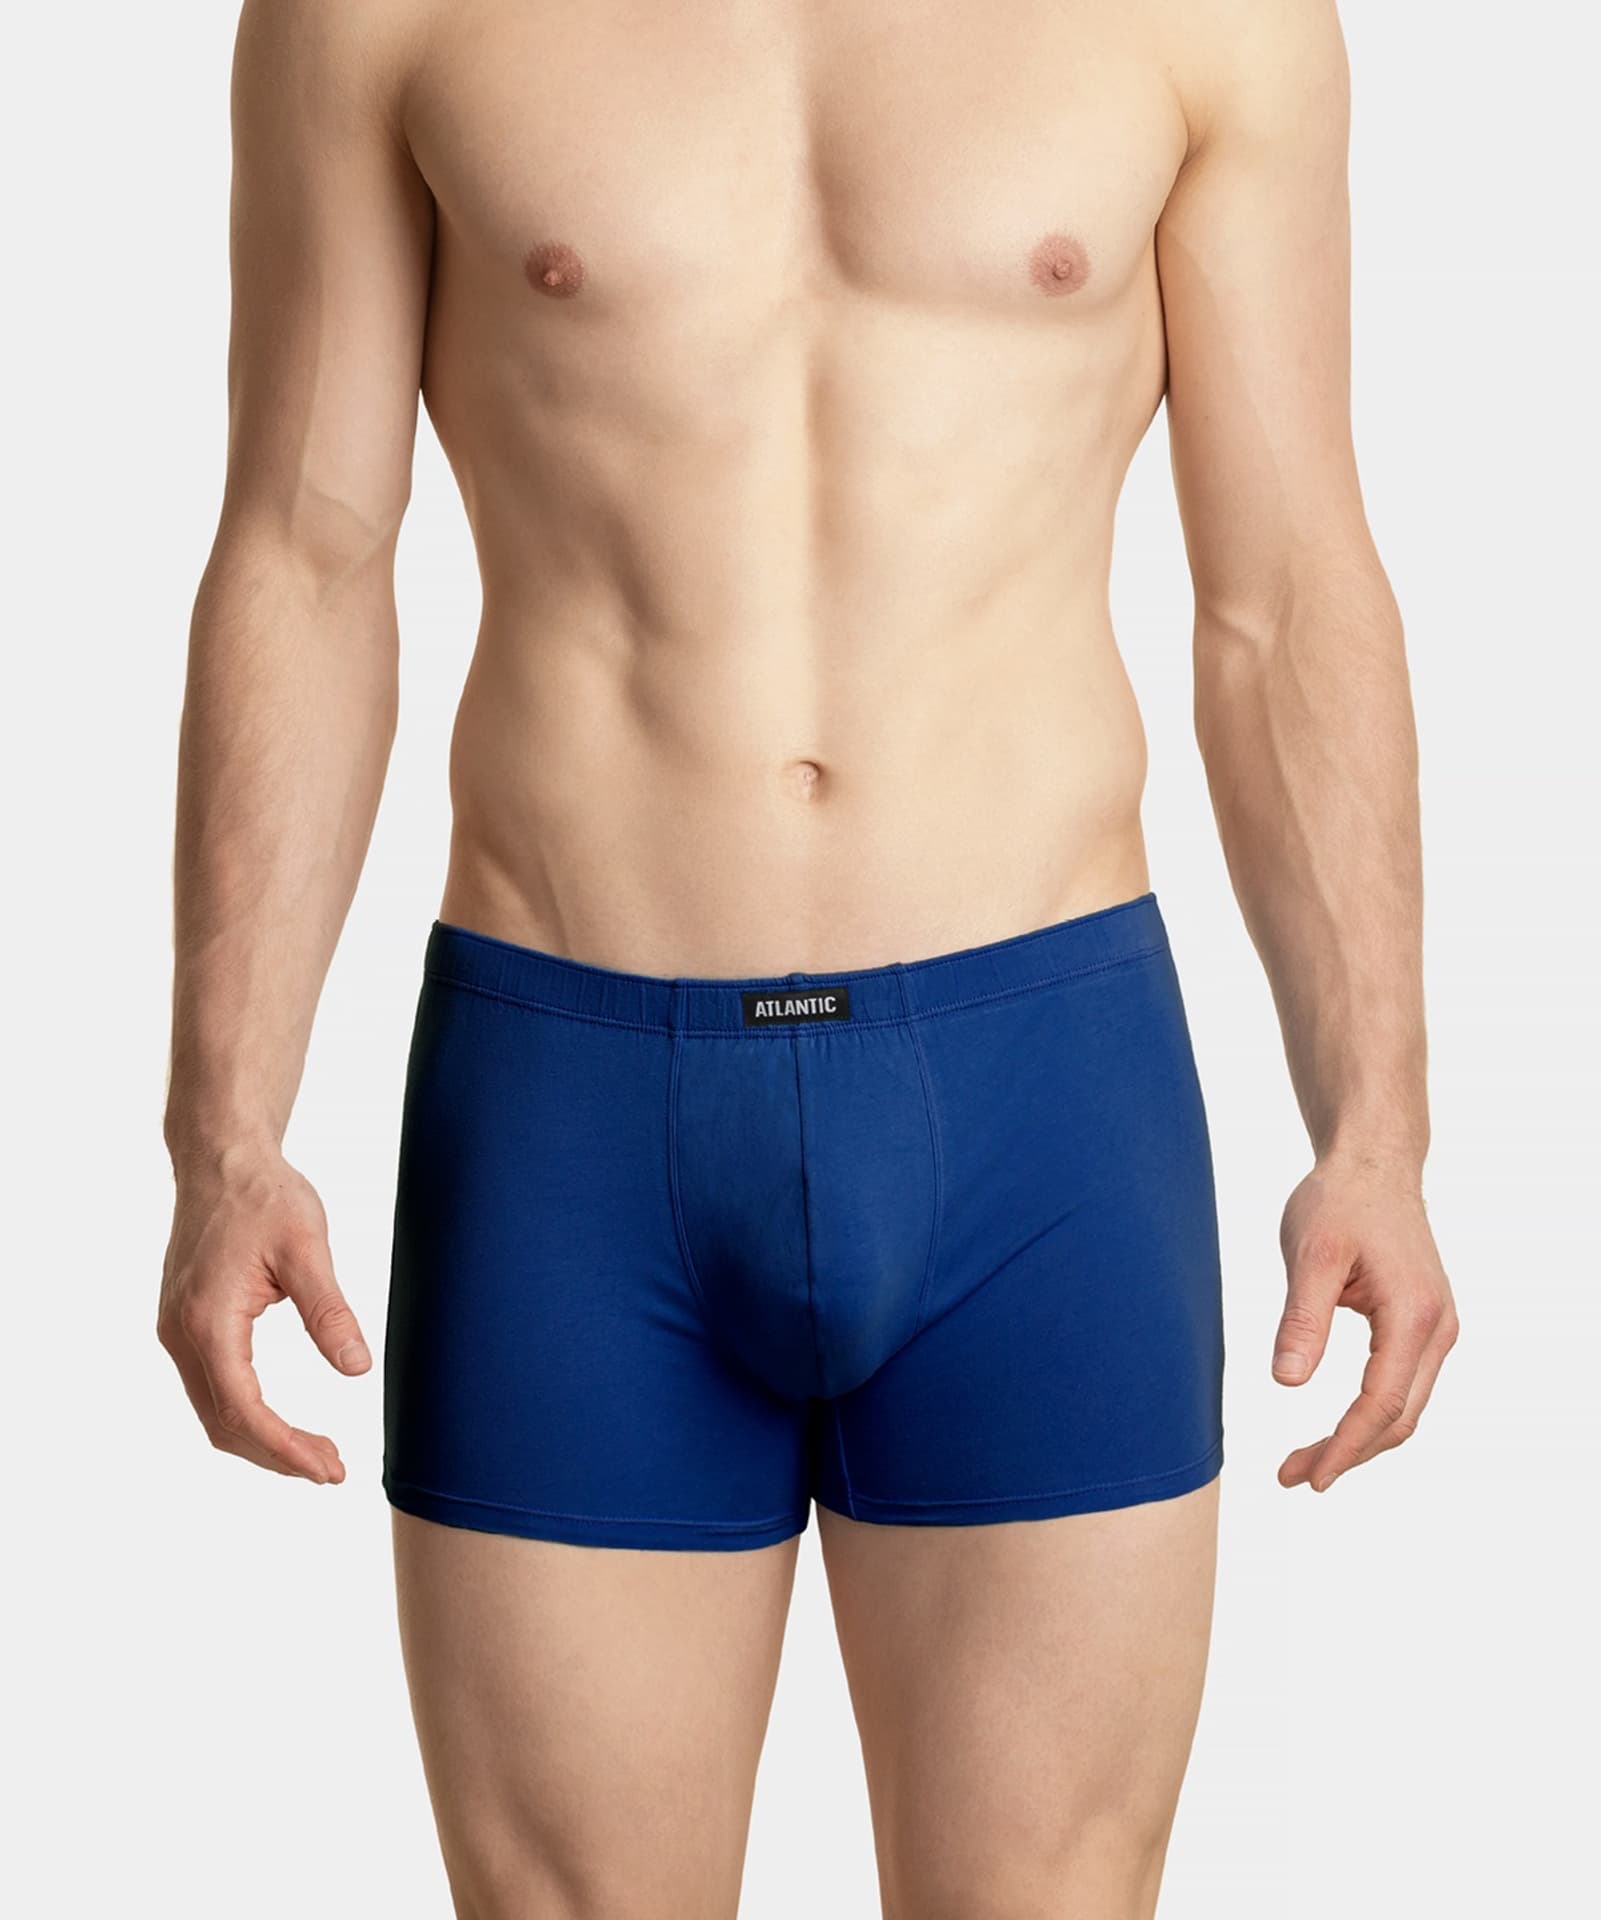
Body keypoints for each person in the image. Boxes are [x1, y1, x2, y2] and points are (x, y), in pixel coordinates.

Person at [157, 1, 1458, 1913]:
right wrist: (222, 1135)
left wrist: (1378, 1133)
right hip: (573, 1102)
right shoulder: (378, 13)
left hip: (1039, 1089)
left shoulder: (1205, 16)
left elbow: (1279, 585)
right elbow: (307, 550)